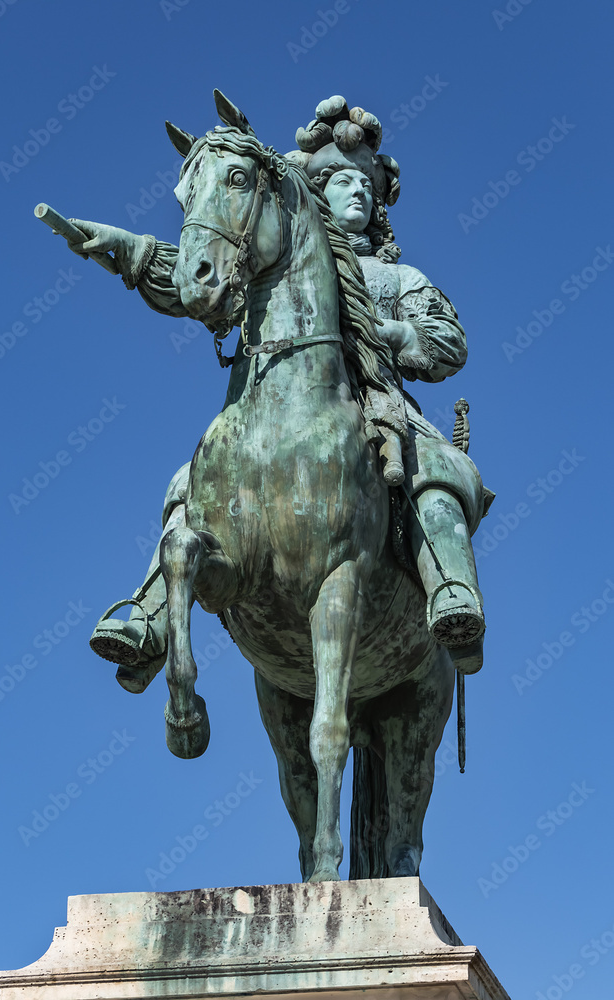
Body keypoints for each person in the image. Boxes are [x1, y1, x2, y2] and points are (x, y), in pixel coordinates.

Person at [69, 95, 489, 692]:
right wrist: (132, 251)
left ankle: (451, 590)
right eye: (341, 182)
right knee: (188, 484)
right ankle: (152, 618)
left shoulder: (399, 279)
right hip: (265, 410)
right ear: (314, 193)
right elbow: (196, 277)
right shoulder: (264, 276)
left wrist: (397, 333)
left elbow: (448, 343)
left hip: (377, 404)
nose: (356, 192)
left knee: (437, 472)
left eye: (365, 185)